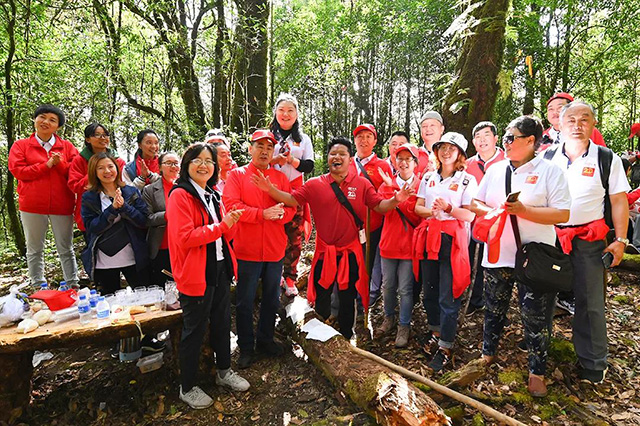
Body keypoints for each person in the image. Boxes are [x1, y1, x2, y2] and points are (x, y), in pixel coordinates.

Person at [251, 136, 415, 339]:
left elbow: (379, 206)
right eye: (332, 153)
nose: (337, 157)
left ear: (349, 158)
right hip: (323, 252)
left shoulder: (361, 184)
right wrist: (271, 190)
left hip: (351, 252)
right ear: (327, 158)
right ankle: (321, 337)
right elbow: (293, 199)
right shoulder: (314, 184)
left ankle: (347, 335)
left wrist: (396, 200)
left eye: (342, 154)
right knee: (322, 295)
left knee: (347, 296)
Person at [471, 115, 571, 397]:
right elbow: (475, 201)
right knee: (493, 309)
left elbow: (562, 213)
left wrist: (525, 211)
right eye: (505, 137)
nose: (506, 142)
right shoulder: (496, 170)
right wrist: (493, 211)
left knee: (536, 316)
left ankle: (537, 371)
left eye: (511, 137)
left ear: (530, 141)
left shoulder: (551, 171)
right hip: (497, 255)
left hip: (535, 257)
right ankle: (487, 353)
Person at [546, 101, 630, 384]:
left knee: (590, 301)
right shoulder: (547, 157)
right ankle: (538, 351)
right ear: (560, 124)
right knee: (542, 295)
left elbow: (618, 201)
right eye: (571, 120)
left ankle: (593, 362)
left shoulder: (606, 158)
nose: (577, 125)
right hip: (550, 237)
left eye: (584, 119)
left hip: (589, 239)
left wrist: (620, 239)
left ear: (593, 124)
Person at [166, 143, 249, 410]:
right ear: (186, 164)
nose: (204, 165)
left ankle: (224, 371)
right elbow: (185, 237)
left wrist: (230, 226)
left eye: (209, 161)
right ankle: (187, 387)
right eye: (198, 160)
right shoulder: (181, 195)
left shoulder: (213, 194)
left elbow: (224, 236)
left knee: (223, 322)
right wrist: (223, 226)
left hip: (220, 268)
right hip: (195, 272)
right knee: (194, 331)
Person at [222, 129, 295, 369]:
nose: (264, 151)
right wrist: (261, 214)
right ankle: (246, 346)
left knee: (272, 299)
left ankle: (265, 339)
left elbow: (292, 207)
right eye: (259, 146)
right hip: (247, 249)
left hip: (274, 249)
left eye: (268, 147)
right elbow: (232, 205)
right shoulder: (237, 175)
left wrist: (281, 213)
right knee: (244, 301)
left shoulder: (280, 178)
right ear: (250, 148)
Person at [413, 132, 477, 372]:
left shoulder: (466, 180)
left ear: (460, 153)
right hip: (430, 236)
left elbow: (470, 214)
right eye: (442, 148)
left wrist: (449, 208)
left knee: (448, 295)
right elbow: (418, 206)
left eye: (452, 148)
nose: (446, 152)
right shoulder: (428, 177)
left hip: (453, 240)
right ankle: (435, 333)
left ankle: (446, 346)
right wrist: (431, 212)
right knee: (429, 290)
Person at [8, 104, 79, 288]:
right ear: (35, 120)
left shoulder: (67, 147)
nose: (46, 122)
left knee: (66, 248)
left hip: (62, 204)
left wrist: (60, 164)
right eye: (42, 117)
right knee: (34, 249)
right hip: (32, 205)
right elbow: (18, 171)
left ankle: (73, 285)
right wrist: (46, 165)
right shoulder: (21, 145)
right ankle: (38, 287)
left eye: (52, 120)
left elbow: (75, 172)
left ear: (58, 127)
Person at [81, 152, 149, 295]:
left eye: (110, 166)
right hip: (105, 259)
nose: (107, 171)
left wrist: (125, 207)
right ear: (94, 172)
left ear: (117, 169)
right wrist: (112, 210)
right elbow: (92, 227)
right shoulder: (90, 197)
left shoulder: (131, 191)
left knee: (144, 297)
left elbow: (144, 221)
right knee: (109, 302)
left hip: (133, 255)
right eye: (100, 168)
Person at [270, 93, 315, 296]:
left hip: (296, 192)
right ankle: (273, 274)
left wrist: (291, 161)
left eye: (290, 110)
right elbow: (257, 161)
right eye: (281, 110)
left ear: (297, 114)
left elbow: (309, 165)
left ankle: (290, 278)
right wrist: (275, 161)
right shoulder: (268, 136)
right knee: (272, 234)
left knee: (293, 236)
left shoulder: (303, 139)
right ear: (275, 113)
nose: (285, 114)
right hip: (271, 191)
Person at [376, 144, 421, 347]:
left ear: (415, 163)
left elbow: (417, 215)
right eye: (399, 158)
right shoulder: (385, 184)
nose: (403, 163)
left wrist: (397, 198)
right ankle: (388, 317)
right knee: (387, 286)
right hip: (388, 244)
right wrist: (397, 195)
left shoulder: (422, 186)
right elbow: (381, 210)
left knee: (405, 288)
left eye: (408, 159)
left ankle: (404, 325)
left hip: (410, 246)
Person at [349, 123, 393, 307]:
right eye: (360, 136)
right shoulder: (347, 162)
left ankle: (366, 298)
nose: (363, 140)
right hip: (349, 223)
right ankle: (349, 295)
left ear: (375, 141)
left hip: (373, 223)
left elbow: (387, 193)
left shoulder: (382, 165)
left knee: (370, 262)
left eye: (368, 136)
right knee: (351, 260)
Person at [464, 121, 505, 315]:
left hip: (502, 223)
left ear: (496, 138)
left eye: (486, 135)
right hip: (475, 222)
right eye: (478, 137)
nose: (482, 140)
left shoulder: (507, 160)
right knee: (476, 262)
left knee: (500, 267)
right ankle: (475, 299)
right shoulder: (468, 164)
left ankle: (498, 307)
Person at [68, 123, 125, 239]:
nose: (102, 138)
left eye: (105, 135)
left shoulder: (117, 161)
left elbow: (124, 185)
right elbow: (74, 186)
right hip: (90, 212)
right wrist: (93, 173)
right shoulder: (79, 160)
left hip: (117, 212)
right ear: (88, 139)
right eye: (97, 135)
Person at [142, 152, 180, 287]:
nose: (173, 166)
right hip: (162, 246)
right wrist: (167, 215)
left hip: (184, 246)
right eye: (168, 163)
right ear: (160, 167)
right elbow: (147, 218)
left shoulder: (187, 187)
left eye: (176, 163)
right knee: (163, 288)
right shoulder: (150, 190)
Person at [539, 92, 606, 151]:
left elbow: (603, 158)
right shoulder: (541, 137)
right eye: (551, 109)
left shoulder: (589, 131)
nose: (555, 112)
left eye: (560, 108)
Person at [416, 111, 445, 176]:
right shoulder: (414, 155)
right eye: (424, 126)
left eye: (432, 125)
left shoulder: (449, 154)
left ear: (442, 129)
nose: (428, 129)